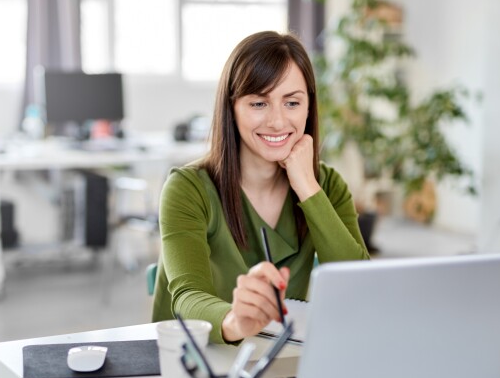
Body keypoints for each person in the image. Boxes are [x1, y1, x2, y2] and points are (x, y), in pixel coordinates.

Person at [152, 31, 370, 344]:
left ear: (309, 107)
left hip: (276, 356)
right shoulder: (187, 189)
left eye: (292, 102)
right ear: (233, 107)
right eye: (259, 103)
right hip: (195, 357)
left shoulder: (328, 186)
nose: (278, 122)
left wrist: (307, 186)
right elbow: (187, 298)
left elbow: (360, 287)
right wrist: (235, 321)